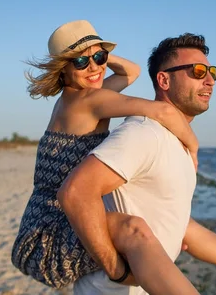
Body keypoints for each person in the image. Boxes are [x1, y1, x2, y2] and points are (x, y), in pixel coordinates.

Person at [58, 33, 216, 295]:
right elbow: (77, 192)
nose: (210, 80)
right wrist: (116, 270)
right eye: (197, 71)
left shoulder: (175, 142)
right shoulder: (144, 134)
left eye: (212, 72)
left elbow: (179, 224)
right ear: (164, 79)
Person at [11, 20, 201, 290]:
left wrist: (91, 54)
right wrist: (193, 148)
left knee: (168, 227)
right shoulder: (89, 101)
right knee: (134, 229)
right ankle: (122, 274)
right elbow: (165, 112)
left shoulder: (74, 98)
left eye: (100, 58)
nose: (94, 68)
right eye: (80, 62)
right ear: (62, 68)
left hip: (38, 226)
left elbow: (132, 72)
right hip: (48, 236)